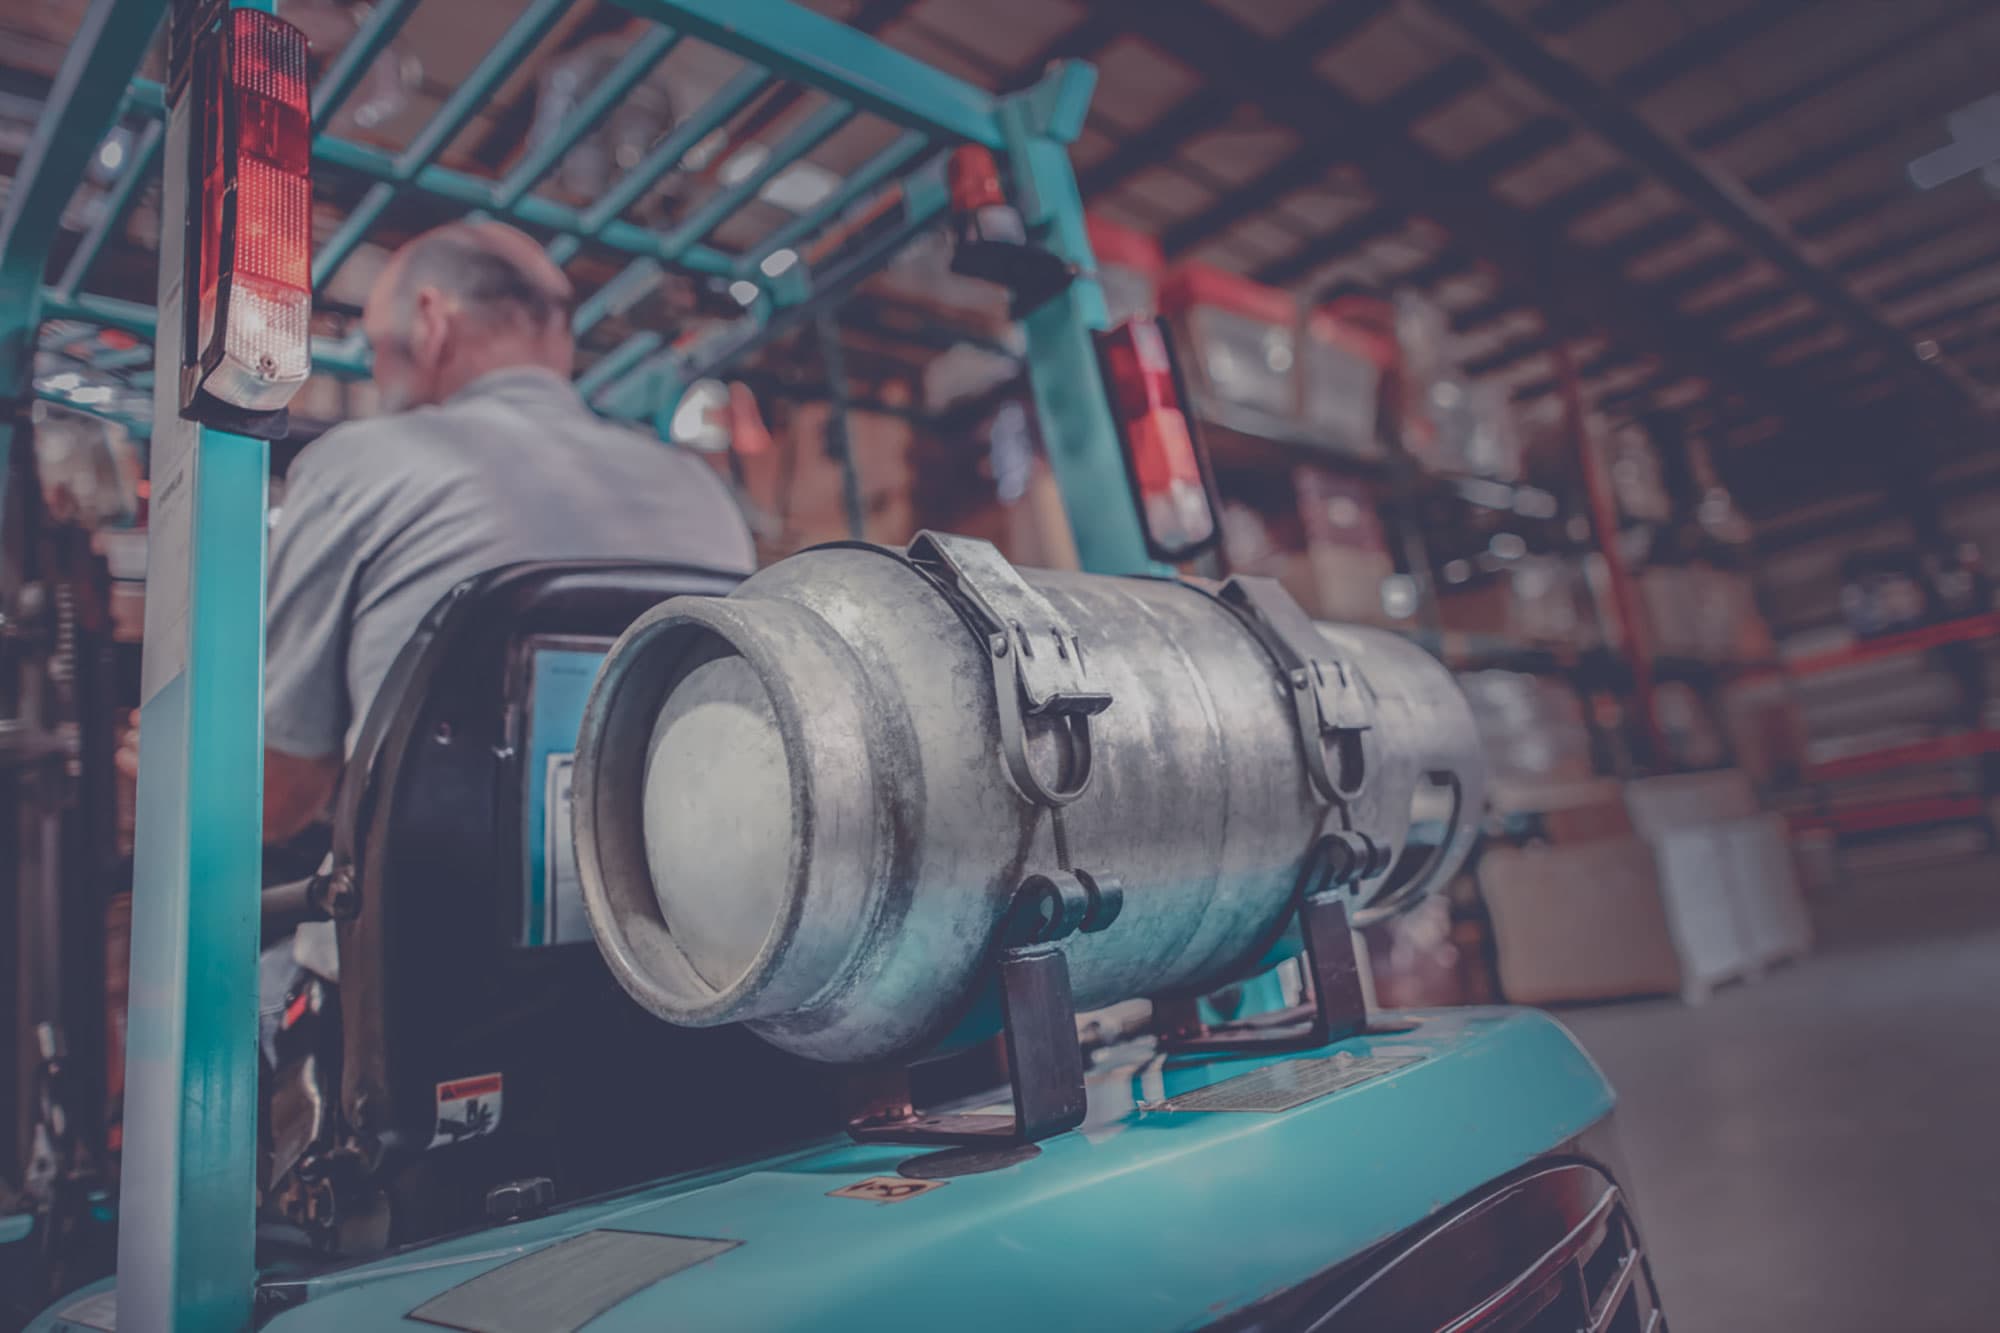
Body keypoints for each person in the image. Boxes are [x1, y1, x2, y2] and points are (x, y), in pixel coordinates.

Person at [258, 220, 756, 840]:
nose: (378, 370)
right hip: (666, 919)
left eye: (377, 347)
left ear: (430, 321)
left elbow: (280, 795)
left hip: (425, 932)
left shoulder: (354, 466)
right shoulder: (703, 492)